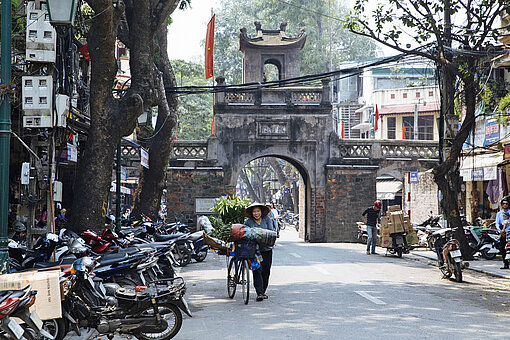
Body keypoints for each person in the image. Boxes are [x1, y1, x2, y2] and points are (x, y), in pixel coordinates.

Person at [244, 202, 275, 302]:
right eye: (254, 212)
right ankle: (259, 293)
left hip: (267, 249)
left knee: (266, 271)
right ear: (252, 213)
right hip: (255, 251)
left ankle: (263, 290)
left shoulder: (267, 219)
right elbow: (246, 233)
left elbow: (271, 232)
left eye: (258, 211)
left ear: (261, 212)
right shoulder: (248, 222)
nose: (256, 213)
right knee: (257, 270)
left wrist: (259, 235)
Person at [495, 198, 510, 269]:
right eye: (503, 203)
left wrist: (506, 230)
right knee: (503, 248)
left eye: (506, 204)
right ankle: (505, 264)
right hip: (502, 233)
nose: (505, 205)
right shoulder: (499, 213)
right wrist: (500, 231)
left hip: (508, 232)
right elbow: (497, 223)